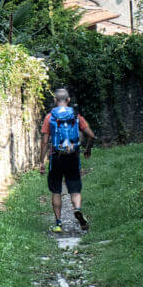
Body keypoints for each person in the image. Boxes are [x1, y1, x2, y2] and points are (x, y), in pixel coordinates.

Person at [42, 87, 97, 232]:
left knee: (56, 191)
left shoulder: (50, 117)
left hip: (56, 157)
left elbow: (44, 141)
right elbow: (91, 135)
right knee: (75, 189)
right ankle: (77, 209)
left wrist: (41, 161)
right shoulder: (76, 116)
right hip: (72, 157)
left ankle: (58, 224)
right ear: (68, 100)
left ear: (55, 100)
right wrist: (88, 149)